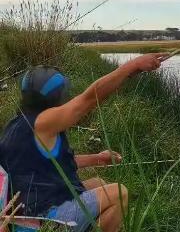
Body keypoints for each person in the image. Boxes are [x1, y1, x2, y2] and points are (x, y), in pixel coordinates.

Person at [0, 53, 164, 232]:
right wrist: (133, 65)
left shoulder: (18, 123)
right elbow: (89, 99)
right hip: (45, 217)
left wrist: (97, 158)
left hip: (31, 208)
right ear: (57, 96)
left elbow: (49, 164)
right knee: (119, 192)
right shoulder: (43, 122)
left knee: (99, 183)